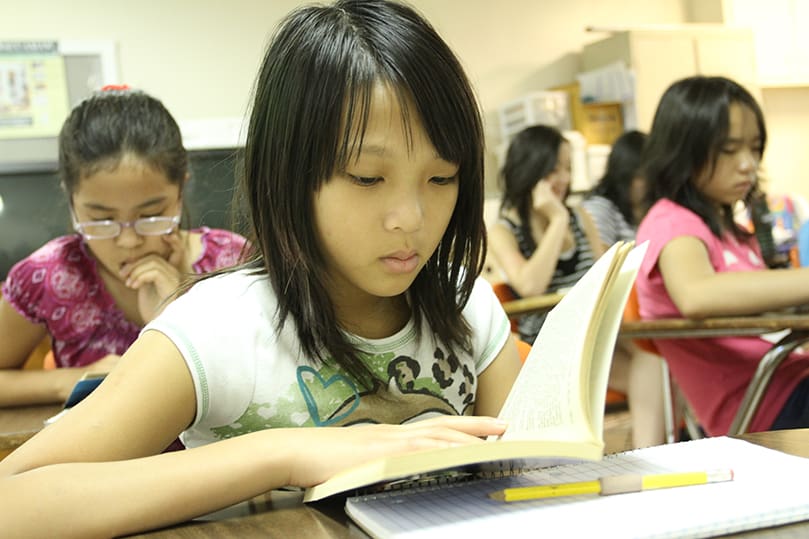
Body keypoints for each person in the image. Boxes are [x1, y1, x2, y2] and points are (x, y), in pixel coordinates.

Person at [0, 0, 521, 535]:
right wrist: (280, 453)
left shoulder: (466, 302)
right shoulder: (219, 327)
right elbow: (10, 503)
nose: (411, 219)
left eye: (442, 178)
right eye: (367, 177)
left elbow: (530, 471)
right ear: (287, 174)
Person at [0, 87, 248, 408]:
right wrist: (68, 380)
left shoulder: (230, 262)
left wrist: (180, 313)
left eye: (151, 215)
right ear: (72, 199)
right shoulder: (48, 275)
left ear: (180, 189)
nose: (128, 241)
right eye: (101, 220)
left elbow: (271, 380)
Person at [636, 75, 809, 437]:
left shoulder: (728, 227)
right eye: (729, 150)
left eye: (755, 147)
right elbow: (696, 295)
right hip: (766, 405)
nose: (747, 164)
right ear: (684, 150)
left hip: (790, 382)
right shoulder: (671, 220)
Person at [580, 129, 665, 448]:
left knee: (663, 360)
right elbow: (605, 266)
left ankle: (654, 447)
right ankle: (654, 448)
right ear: (628, 174)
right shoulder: (599, 208)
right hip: (612, 314)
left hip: (633, 316)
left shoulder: (642, 209)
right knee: (655, 358)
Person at [488, 124, 604, 344]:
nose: (564, 178)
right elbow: (530, 287)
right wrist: (558, 220)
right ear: (529, 170)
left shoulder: (580, 216)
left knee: (645, 355)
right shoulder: (503, 231)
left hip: (593, 328)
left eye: (568, 168)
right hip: (546, 340)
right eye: (553, 169)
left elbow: (605, 275)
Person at [582, 130, 648, 249]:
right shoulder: (600, 207)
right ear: (624, 174)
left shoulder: (646, 207)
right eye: (642, 176)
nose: (650, 183)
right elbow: (602, 262)